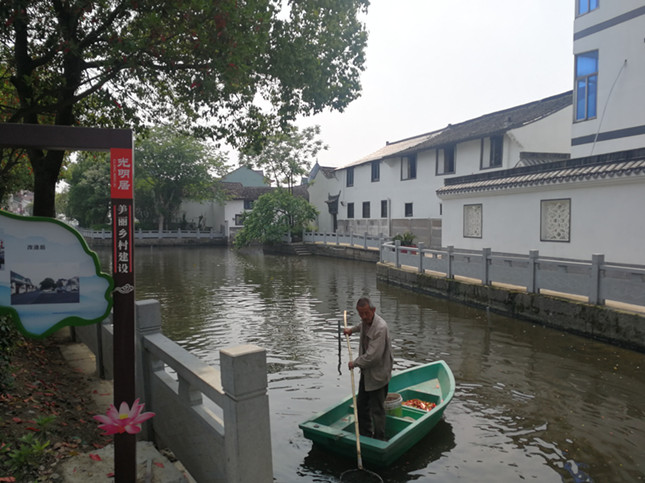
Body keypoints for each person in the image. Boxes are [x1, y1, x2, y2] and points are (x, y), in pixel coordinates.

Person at [344, 296, 393, 440]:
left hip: (378, 374)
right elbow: (361, 326)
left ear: (373, 310)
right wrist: (351, 330)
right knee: (361, 404)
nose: (364, 317)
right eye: (361, 314)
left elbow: (372, 357)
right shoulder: (366, 322)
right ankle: (365, 434)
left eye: (366, 313)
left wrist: (355, 363)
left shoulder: (380, 328)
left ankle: (379, 438)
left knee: (377, 410)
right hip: (367, 373)